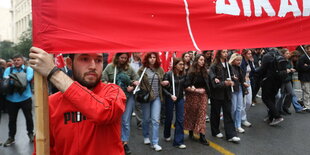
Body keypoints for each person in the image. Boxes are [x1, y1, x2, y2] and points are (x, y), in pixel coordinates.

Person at [29, 47, 126, 155]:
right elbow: (44, 147)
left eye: (98, 60)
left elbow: (103, 113)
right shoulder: (51, 103)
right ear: (69, 63)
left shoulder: (114, 91)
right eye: (84, 59)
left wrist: (53, 72)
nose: (93, 66)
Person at [102, 52, 139, 154]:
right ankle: (113, 142)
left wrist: (133, 86)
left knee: (125, 121)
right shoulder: (110, 67)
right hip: (113, 99)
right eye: (121, 57)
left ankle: (125, 143)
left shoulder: (129, 68)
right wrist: (109, 85)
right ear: (117, 57)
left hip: (128, 98)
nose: (123, 60)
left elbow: (137, 79)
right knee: (113, 120)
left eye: (125, 58)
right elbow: (102, 79)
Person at [137, 52, 167, 152]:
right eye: (150, 57)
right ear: (147, 59)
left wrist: (164, 83)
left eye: (154, 57)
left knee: (155, 120)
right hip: (146, 97)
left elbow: (164, 81)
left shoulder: (160, 69)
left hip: (157, 97)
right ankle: (146, 136)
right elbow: (137, 82)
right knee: (146, 119)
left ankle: (155, 142)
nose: (152, 59)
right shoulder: (142, 70)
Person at [209, 50, 241, 143]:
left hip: (227, 94)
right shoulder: (213, 66)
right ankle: (215, 131)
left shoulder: (228, 65)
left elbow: (230, 76)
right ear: (219, 54)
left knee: (228, 113)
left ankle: (231, 135)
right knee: (215, 113)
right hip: (216, 94)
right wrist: (225, 83)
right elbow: (213, 83)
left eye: (226, 52)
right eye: (223, 52)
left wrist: (232, 78)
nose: (226, 54)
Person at [2, 55, 34, 147]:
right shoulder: (9, 69)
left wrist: (13, 78)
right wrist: (18, 78)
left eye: (18, 60)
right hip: (11, 99)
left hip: (25, 98)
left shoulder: (28, 69)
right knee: (12, 120)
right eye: (14, 60)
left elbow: (26, 80)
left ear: (23, 61)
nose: (16, 62)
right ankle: (11, 137)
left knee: (29, 118)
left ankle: (30, 134)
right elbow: (7, 80)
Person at [184, 54, 210, 145]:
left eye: (203, 60)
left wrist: (206, 91)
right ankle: (191, 130)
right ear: (196, 60)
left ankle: (202, 136)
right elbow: (186, 85)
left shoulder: (205, 72)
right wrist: (196, 90)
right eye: (201, 60)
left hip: (203, 95)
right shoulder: (191, 72)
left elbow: (208, 84)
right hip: (192, 96)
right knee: (192, 114)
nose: (202, 61)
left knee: (202, 115)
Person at [256, 48, 285, 125]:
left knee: (265, 98)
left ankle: (277, 116)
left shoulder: (267, 56)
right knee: (272, 98)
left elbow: (262, 69)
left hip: (269, 80)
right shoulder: (279, 55)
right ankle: (271, 117)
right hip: (278, 80)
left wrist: (255, 72)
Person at [163, 58, 187, 149]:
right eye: (180, 64)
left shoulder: (183, 74)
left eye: (183, 64)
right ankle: (166, 134)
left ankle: (178, 141)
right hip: (170, 98)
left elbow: (185, 85)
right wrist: (170, 95)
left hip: (180, 98)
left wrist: (190, 87)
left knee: (180, 119)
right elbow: (163, 88)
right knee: (169, 117)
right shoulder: (168, 74)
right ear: (175, 65)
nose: (182, 66)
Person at [229, 53, 248, 133]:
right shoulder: (230, 68)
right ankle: (231, 124)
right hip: (233, 89)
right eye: (237, 60)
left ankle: (238, 125)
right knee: (233, 108)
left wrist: (244, 84)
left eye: (240, 60)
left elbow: (241, 79)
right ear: (233, 60)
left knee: (239, 108)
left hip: (239, 88)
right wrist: (233, 78)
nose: (239, 61)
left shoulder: (239, 68)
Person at [240, 49, 254, 127]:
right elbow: (241, 74)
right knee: (243, 103)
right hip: (243, 83)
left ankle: (241, 116)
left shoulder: (250, 61)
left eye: (251, 53)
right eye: (249, 53)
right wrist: (243, 83)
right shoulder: (242, 62)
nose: (250, 55)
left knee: (249, 102)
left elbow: (253, 71)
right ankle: (243, 119)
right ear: (244, 54)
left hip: (249, 83)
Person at [130, 52, 143, 129]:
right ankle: (127, 121)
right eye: (138, 53)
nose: (140, 54)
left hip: (139, 87)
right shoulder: (129, 62)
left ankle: (140, 122)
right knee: (129, 105)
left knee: (138, 105)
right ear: (134, 53)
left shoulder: (142, 64)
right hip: (130, 86)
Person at [297, 45, 310, 112]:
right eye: (308, 49)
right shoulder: (302, 57)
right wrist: (308, 67)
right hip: (305, 77)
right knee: (307, 91)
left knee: (307, 92)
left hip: (308, 76)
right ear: (306, 49)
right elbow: (301, 68)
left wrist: (307, 66)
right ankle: (307, 106)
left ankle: (303, 102)